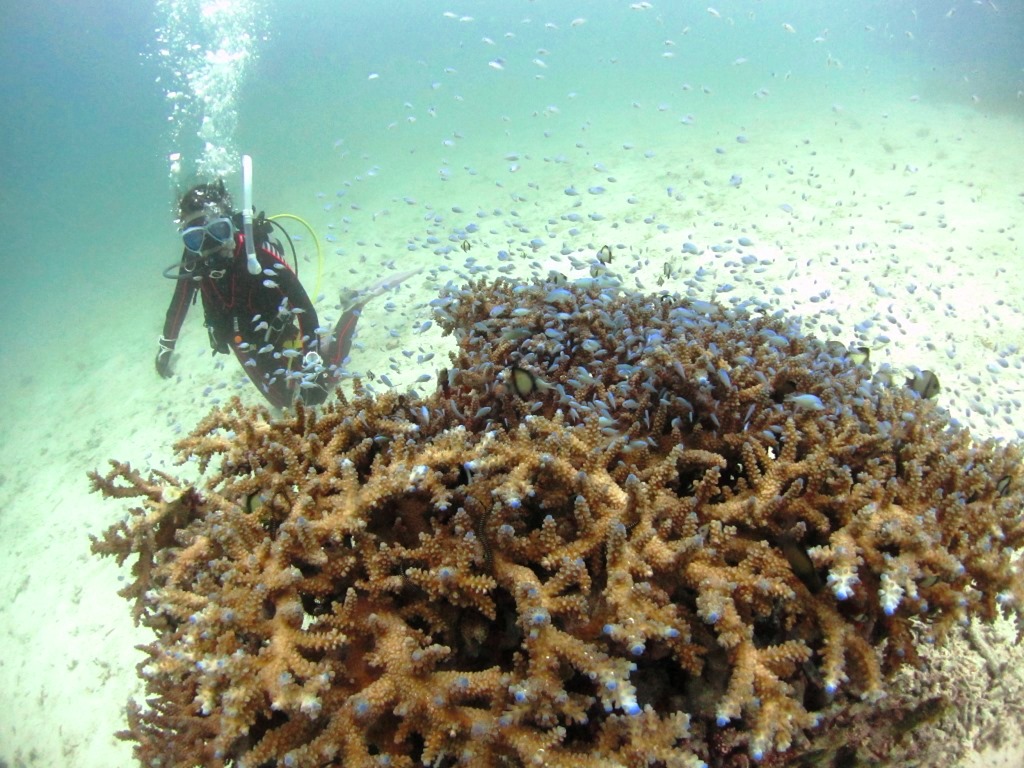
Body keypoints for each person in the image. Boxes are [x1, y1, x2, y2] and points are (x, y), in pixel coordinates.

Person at [156, 180, 417, 408]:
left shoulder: (257, 254)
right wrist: (166, 346)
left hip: (278, 332)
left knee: (320, 384)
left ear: (231, 225)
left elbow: (304, 308)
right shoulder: (193, 262)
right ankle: (320, 345)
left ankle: (353, 306)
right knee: (282, 401)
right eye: (195, 238)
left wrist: (313, 365)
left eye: (218, 230)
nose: (209, 245)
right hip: (241, 342)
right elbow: (178, 304)